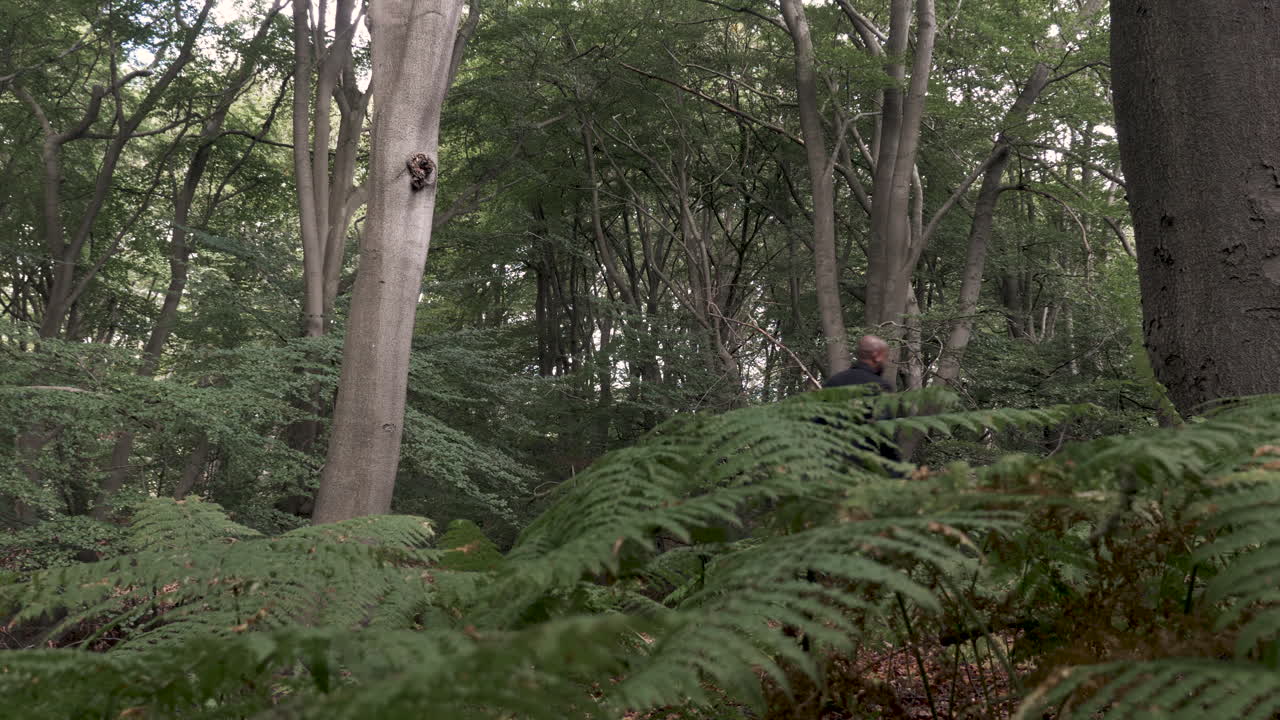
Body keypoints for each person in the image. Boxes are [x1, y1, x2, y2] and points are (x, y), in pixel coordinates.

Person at [819, 334, 901, 465]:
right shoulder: (880, 387)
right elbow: (885, 435)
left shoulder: (833, 382)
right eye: (885, 357)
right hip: (865, 467)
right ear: (876, 355)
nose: (886, 362)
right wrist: (898, 471)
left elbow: (816, 424)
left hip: (830, 464)